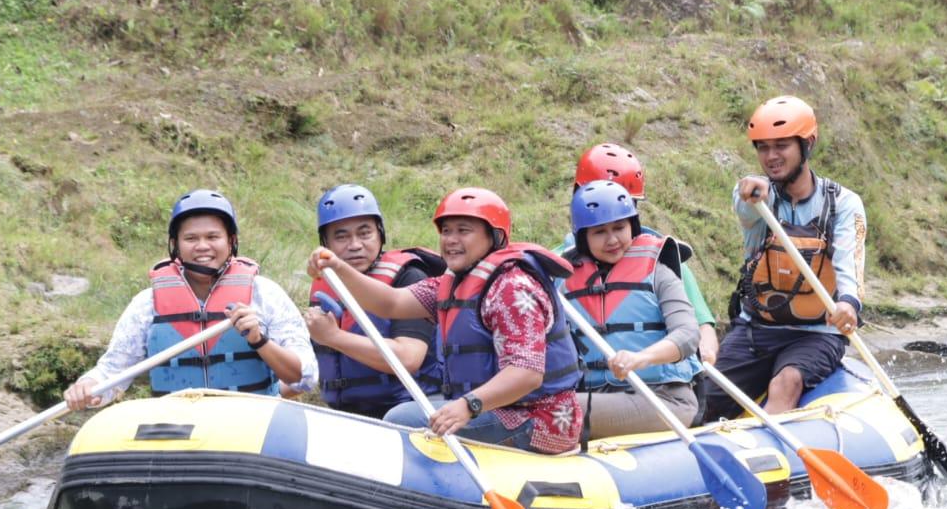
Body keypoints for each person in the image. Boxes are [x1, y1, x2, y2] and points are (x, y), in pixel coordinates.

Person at [308, 187, 583, 454]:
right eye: (446, 231)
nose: (450, 240)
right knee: (408, 415)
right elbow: (390, 302)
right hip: (490, 408)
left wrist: (468, 405)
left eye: (463, 230)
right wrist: (337, 267)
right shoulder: (449, 282)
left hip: (539, 419)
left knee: (402, 422)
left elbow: (527, 374)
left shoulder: (512, 288)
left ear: (495, 236)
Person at [64, 190, 315, 410]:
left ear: (231, 242)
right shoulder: (146, 304)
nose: (202, 246)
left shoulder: (265, 294)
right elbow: (112, 370)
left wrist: (259, 340)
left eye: (213, 237)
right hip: (178, 428)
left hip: (252, 425)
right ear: (175, 245)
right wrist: (88, 386)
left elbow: (304, 376)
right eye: (191, 239)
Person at [702, 96, 866, 418]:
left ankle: (774, 462)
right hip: (757, 328)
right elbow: (746, 201)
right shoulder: (755, 198)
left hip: (818, 334)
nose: (771, 156)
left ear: (807, 144)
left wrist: (848, 303)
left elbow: (850, 265)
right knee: (705, 399)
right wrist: (751, 191)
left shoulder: (843, 204)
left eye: (781, 146)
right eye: (763, 147)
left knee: (786, 382)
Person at [560, 180, 702, 438]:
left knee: (558, 412)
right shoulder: (563, 284)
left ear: (632, 226)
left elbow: (688, 334)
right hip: (600, 395)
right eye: (599, 232)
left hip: (664, 399)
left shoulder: (659, 272)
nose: (612, 239)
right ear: (583, 237)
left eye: (619, 227)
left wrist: (641, 358)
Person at [288, 184, 444, 418]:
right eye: (341, 236)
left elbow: (409, 358)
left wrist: (334, 337)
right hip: (348, 413)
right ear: (326, 243)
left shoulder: (409, 276)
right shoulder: (325, 283)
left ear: (380, 234)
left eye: (365, 233)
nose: (355, 245)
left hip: (411, 409)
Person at [569, 143, 720, 366]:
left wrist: (705, 351)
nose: (609, 210)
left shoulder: (659, 259)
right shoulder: (559, 265)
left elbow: (701, 327)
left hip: (657, 382)